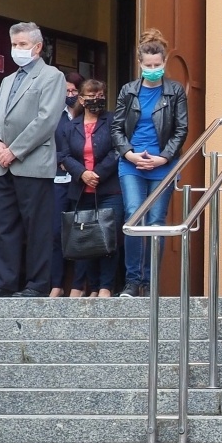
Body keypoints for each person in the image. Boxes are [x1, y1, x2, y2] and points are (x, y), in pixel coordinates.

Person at [0, 22, 64, 298]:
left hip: (33, 164)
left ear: (37, 47)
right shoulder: (6, 81)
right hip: (5, 166)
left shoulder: (51, 76)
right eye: (14, 45)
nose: (17, 50)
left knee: (36, 227)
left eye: (23, 45)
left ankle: (37, 284)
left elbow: (46, 120)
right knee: (3, 224)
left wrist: (14, 150)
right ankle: (3, 282)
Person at [112, 29, 188, 297]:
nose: (153, 69)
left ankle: (150, 280)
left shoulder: (175, 90)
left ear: (165, 63)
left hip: (162, 164)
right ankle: (132, 281)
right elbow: (116, 128)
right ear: (140, 64)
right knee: (134, 216)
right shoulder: (128, 91)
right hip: (131, 163)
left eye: (158, 65)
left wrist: (163, 157)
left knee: (156, 221)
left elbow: (181, 129)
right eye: (148, 65)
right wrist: (130, 154)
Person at [55, 78, 121, 297]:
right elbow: (63, 155)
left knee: (107, 238)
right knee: (86, 240)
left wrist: (98, 174)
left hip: (108, 189)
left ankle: (105, 287)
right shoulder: (69, 126)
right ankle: (91, 286)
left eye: (100, 96)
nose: (96, 100)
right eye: (91, 96)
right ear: (81, 99)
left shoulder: (112, 121)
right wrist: (82, 173)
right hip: (80, 190)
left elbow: (117, 150)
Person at [49, 71, 84, 298]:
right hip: (58, 180)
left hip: (82, 180)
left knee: (82, 232)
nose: (70, 95)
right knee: (56, 232)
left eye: (74, 91)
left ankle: (79, 286)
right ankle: (56, 284)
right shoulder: (55, 115)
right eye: (66, 91)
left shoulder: (89, 116)